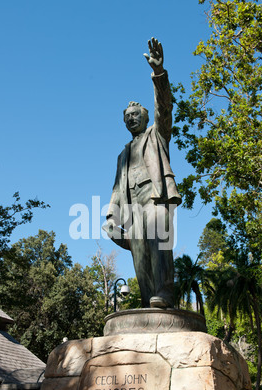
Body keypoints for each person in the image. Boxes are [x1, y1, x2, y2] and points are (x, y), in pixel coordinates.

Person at [104, 38, 182, 308]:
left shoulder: (157, 135)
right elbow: (117, 189)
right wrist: (112, 217)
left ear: (146, 118)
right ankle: (150, 298)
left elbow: (165, 108)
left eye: (135, 114)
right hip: (133, 207)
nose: (130, 118)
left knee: (158, 243)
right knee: (139, 252)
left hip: (155, 198)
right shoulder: (122, 154)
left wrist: (159, 74)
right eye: (127, 117)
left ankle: (165, 293)